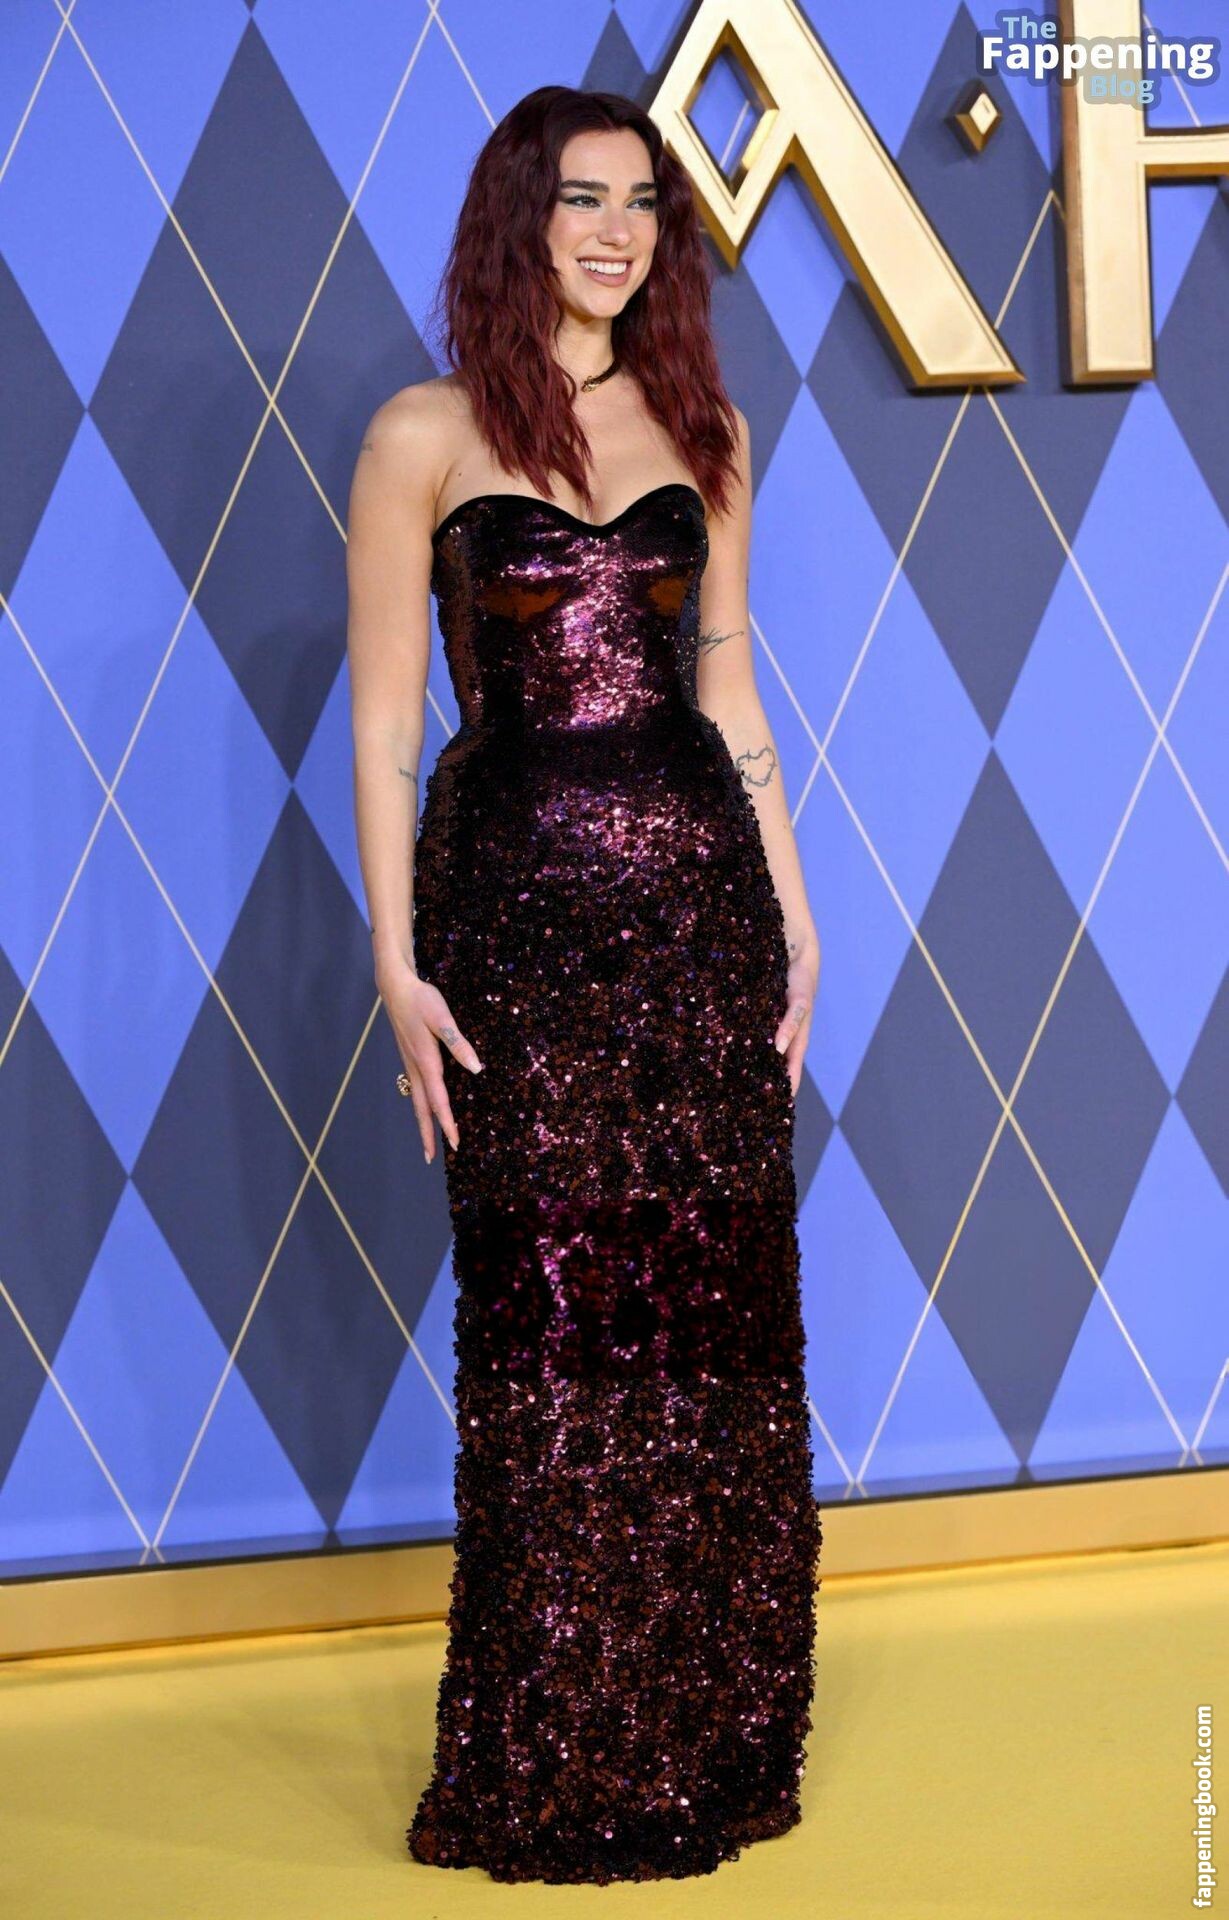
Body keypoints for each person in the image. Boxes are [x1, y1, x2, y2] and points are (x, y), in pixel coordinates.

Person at [345, 84, 822, 1886]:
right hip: (512, 923)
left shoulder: (708, 425)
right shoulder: (422, 433)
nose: (615, 232)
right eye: (580, 200)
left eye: (640, 205)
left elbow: (729, 693)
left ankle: (704, 1728)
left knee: (706, 1319)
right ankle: (558, 1743)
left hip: (701, 916)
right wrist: (395, 958)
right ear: (518, 220)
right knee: (548, 1324)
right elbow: (386, 724)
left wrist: (799, 919)